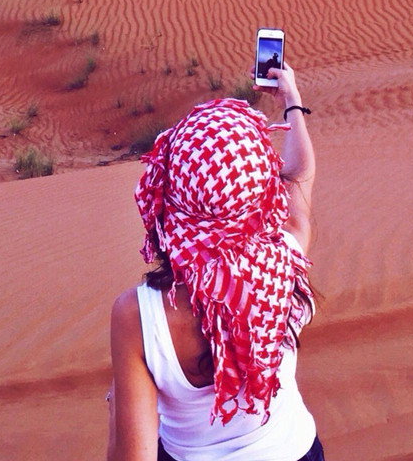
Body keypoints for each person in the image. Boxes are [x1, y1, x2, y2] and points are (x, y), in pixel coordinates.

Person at [108, 64, 324, 461]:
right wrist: (292, 101)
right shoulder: (285, 263)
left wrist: (115, 409)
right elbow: (300, 177)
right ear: (261, 188)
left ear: (171, 192)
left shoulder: (138, 316)